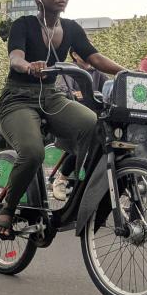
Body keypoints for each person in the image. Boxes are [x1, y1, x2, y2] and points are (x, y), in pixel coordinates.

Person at [0, 0, 126, 240]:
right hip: (18, 99)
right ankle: (8, 207)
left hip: (51, 97)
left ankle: (75, 186)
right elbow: (15, 58)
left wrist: (126, 71)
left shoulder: (72, 28)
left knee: (93, 125)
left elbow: (94, 58)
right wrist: (30, 66)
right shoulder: (24, 25)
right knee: (32, 152)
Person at [49, 50, 110, 200]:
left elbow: (108, 92)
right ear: (75, 55)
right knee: (85, 143)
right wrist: (76, 94)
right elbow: (64, 91)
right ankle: (61, 179)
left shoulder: (99, 73)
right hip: (75, 119)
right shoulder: (69, 71)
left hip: (97, 119)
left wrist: (90, 93)